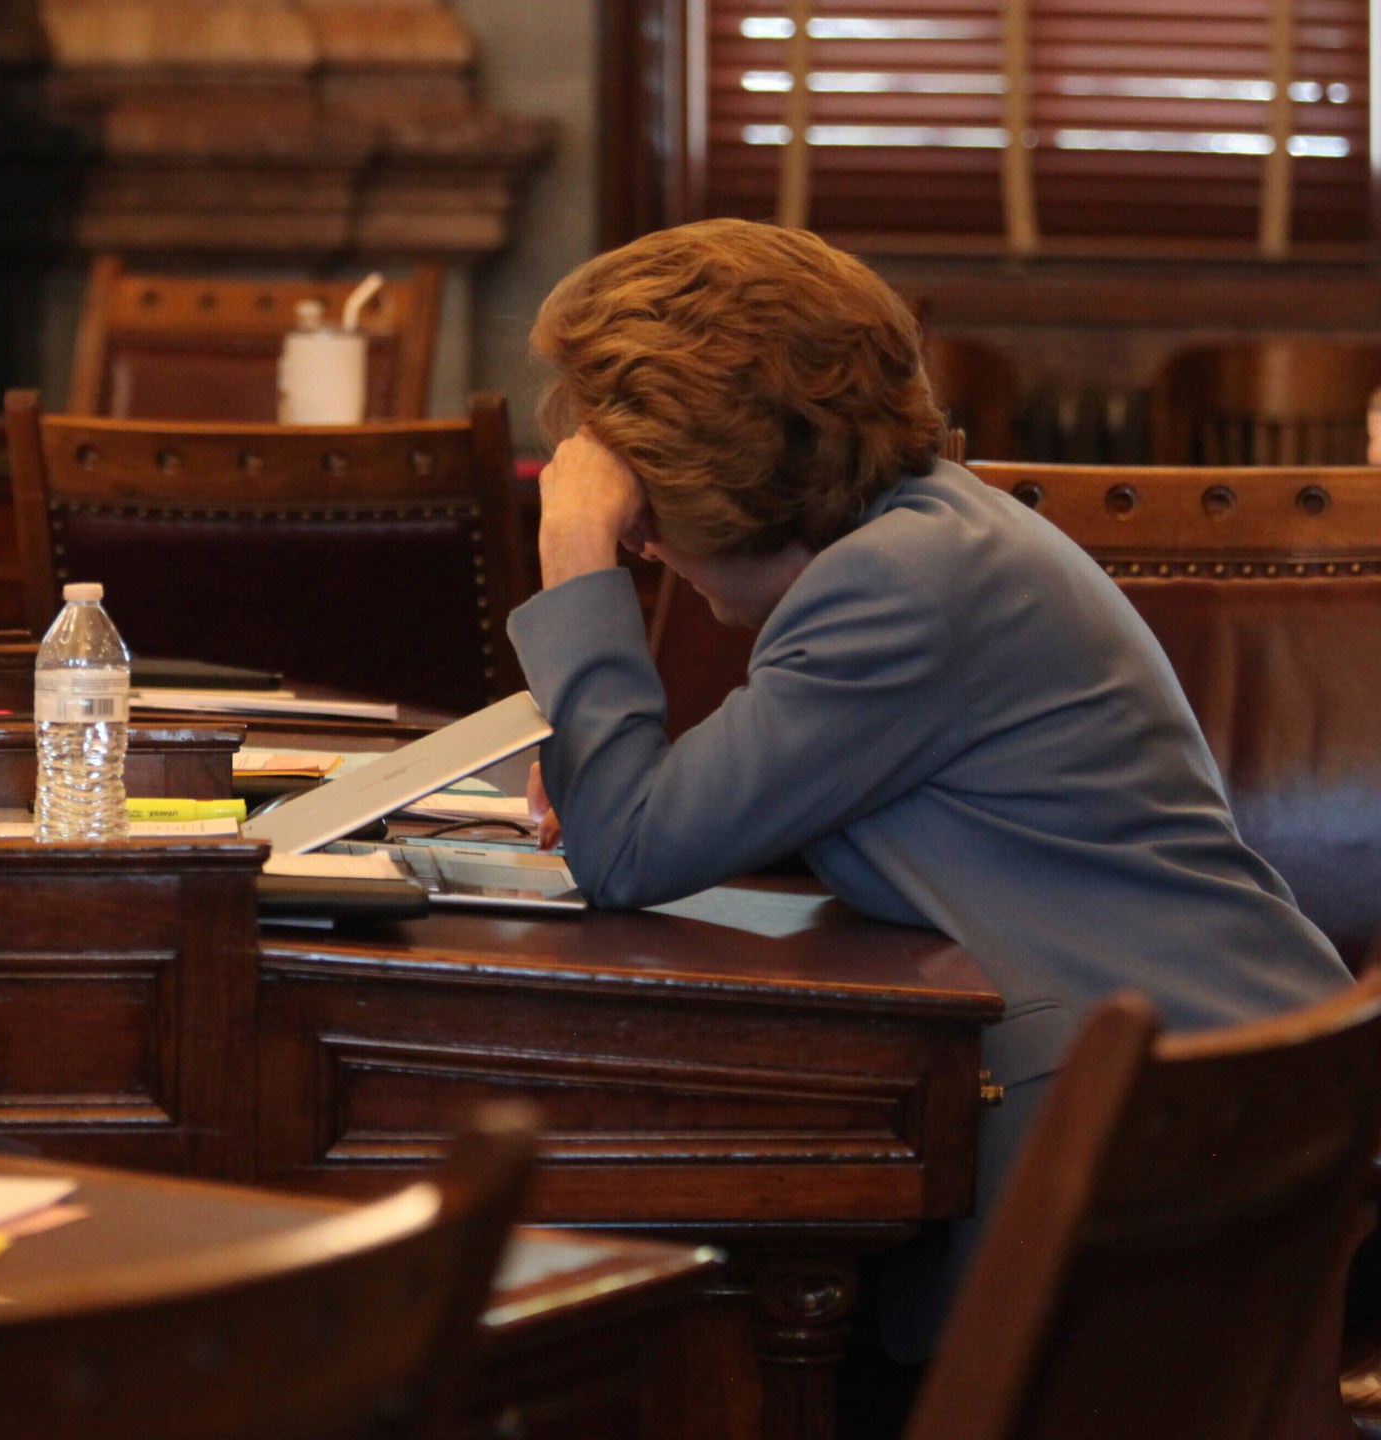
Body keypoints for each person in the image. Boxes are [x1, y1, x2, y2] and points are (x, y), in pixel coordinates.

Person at [509, 218, 1351, 1356]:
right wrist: (614, 765)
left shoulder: (894, 590)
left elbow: (626, 851)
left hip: (1171, 1144)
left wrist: (575, 560)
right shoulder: (924, 536)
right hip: (1193, 1097)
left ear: (684, 489)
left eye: (628, 504)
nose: (639, 541)